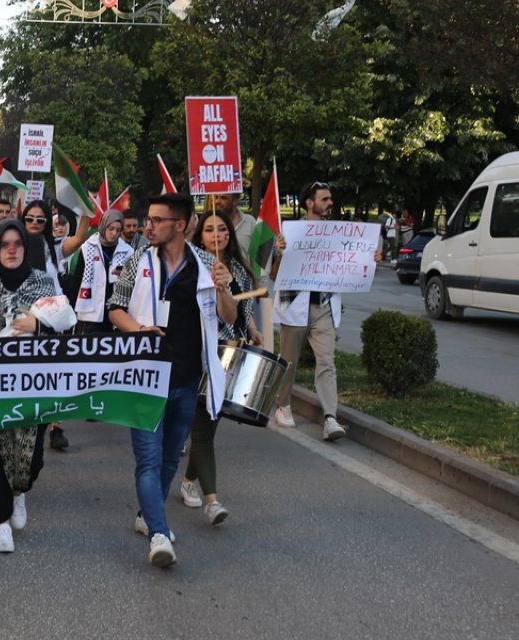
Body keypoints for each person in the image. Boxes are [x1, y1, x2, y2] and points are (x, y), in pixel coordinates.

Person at [107, 193, 236, 568]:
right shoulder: (138, 262)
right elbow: (115, 307)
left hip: (185, 380)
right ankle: (159, 533)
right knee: (147, 460)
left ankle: (148, 515)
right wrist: (138, 329)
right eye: (147, 220)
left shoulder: (207, 265)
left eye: (156, 220)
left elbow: (228, 316)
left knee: (167, 460)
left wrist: (224, 287)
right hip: (145, 377)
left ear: (179, 226)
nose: (147, 226)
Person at [0, 219, 59, 553]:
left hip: (34, 384)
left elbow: (64, 331)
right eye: (4, 244)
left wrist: (38, 325)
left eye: (17, 244)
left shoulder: (43, 283)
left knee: (30, 457)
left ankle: (20, 492)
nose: (12, 250)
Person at [179, 210, 262, 526]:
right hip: (192, 351)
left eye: (222, 229)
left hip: (226, 355)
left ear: (229, 234)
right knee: (198, 427)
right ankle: (212, 501)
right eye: (209, 229)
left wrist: (248, 322)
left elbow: (235, 314)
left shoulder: (239, 271)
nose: (216, 234)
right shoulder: (188, 263)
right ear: (200, 234)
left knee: (207, 426)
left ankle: (190, 480)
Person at [272, 182, 347, 441]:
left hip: (324, 306)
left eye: (330, 199)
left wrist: (369, 261)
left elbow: (350, 265)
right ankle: (283, 405)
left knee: (326, 362)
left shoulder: (340, 234)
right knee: (288, 361)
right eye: (325, 199)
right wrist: (280, 254)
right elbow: (273, 275)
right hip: (295, 304)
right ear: (310, 203)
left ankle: (330, 418)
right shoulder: (289, 232)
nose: (330, 203)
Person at [67, 211, 133, 334]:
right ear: (103, 226)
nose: (114, 233)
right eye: (111, 228)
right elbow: (77, 280)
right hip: (90, 311)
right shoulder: (87, 247)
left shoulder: (128, 251)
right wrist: (73, 309)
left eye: (118, 230)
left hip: (115, 311)